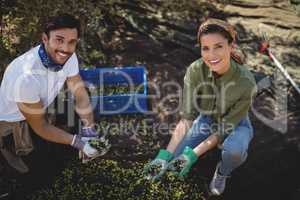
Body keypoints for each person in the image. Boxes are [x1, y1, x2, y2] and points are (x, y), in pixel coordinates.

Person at [144, 18, 257, 196]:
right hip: (206, 119)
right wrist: (165, 155)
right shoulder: (196, 70)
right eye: (206, 48)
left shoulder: (246, 82)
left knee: (234, 151)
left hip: (236, 124)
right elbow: (187, 117)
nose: (212, 55)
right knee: (174, 162)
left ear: (230, 45)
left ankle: (222, 172)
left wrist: (193, 154)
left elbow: (224, 129)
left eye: (218, 46)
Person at [0, 13, 108, 175]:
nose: (65, 48)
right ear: (45, 39)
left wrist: (89, 131)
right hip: (16, 120)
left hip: (43, 104)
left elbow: (79, 93)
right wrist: (78, 142)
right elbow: (41, 126)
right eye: (59, 40)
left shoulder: (68, 56)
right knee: (44, 170)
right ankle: (9, 149)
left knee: (87, 113)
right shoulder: (26, 78)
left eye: (72, 42)